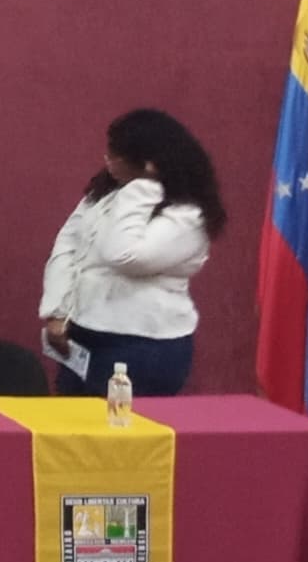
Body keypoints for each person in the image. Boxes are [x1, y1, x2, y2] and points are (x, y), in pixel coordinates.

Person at [40, 109, 224, 397]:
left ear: (148, 163)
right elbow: (68, 245)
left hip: (142, 344)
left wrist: (143, 189)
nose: (108, 161)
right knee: (70, 422)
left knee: (117, 423)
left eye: (116, 156)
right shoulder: (105, 193)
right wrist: (57, 311)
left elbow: (124, 256)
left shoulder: (188, 215)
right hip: (82, 334)